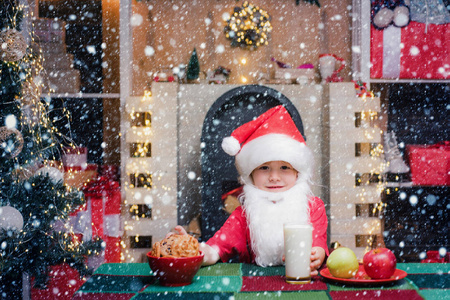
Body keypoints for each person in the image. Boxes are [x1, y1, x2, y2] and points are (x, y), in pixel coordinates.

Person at [171, 105, 328, 276]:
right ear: (251, 174)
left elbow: (318, 244)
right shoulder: (243, 215)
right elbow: (215, 249)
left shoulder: (313, 207)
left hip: (302, 282)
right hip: (256, 284)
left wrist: (317, 255)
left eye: (284, 167)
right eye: (264, 168)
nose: (274, 177)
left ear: (298, 172)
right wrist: (191, 249)